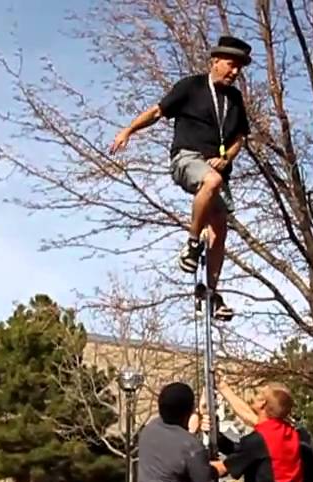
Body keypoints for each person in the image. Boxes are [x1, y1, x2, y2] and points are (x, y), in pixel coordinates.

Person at [108, 36, 252, 322]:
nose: (234, 72)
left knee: (220, 230)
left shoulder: (234, 100)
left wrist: (228, 158)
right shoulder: (192, 86)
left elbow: (240, 138)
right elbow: (157, 111)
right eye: (230, 65)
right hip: (187, 158)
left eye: (239, 69)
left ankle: (211, 294)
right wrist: (128, 130)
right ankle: (191, 242)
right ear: (215, 62)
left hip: (218, 169)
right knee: (210, 182)